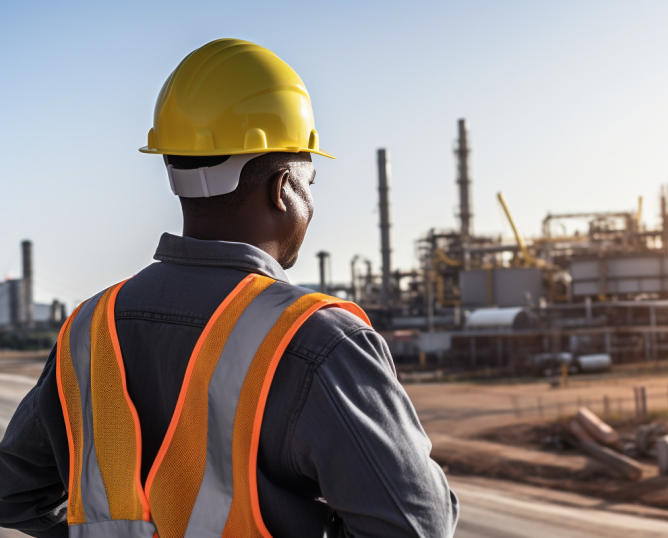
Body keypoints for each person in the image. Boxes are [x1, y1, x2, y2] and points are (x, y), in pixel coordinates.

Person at [0, 38, 458, 537]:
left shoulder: (90, 327)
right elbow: (416, 526)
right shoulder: (316, 340)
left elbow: (14, 494)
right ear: (282, 187)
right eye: (311, 183)